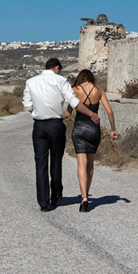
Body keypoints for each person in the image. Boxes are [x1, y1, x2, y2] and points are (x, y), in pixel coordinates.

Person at [22, 58, 80, 212]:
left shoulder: (31, 81)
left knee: (40, 164)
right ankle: (56, 196)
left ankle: (43, 202)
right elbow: (72, 100)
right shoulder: (61, 80)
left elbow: (27, 104)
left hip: (39, 125)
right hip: (55, 124)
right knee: (56, 161)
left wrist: (35, 112)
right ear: (56, 67)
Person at [70, 69, 117, 213]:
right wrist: (113, 129)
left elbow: (68, 112)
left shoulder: (74, 90)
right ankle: (86, 197)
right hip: (93, 130)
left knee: (81, 163)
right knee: (90, 164)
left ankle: (84, 196)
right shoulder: (99, 90)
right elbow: (109, 111)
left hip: (79, 129)